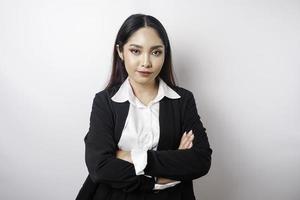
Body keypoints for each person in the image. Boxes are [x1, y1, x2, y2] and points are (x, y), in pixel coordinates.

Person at [76, 13, 212, 200]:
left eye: (156, 52)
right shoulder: (105, 102)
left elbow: (200, 160)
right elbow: (100, 167)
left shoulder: (183, 100)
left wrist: (132, 156)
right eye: (135, 51)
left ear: (165, 53)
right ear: (121, 51)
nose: (146, 62)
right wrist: (162, 175)